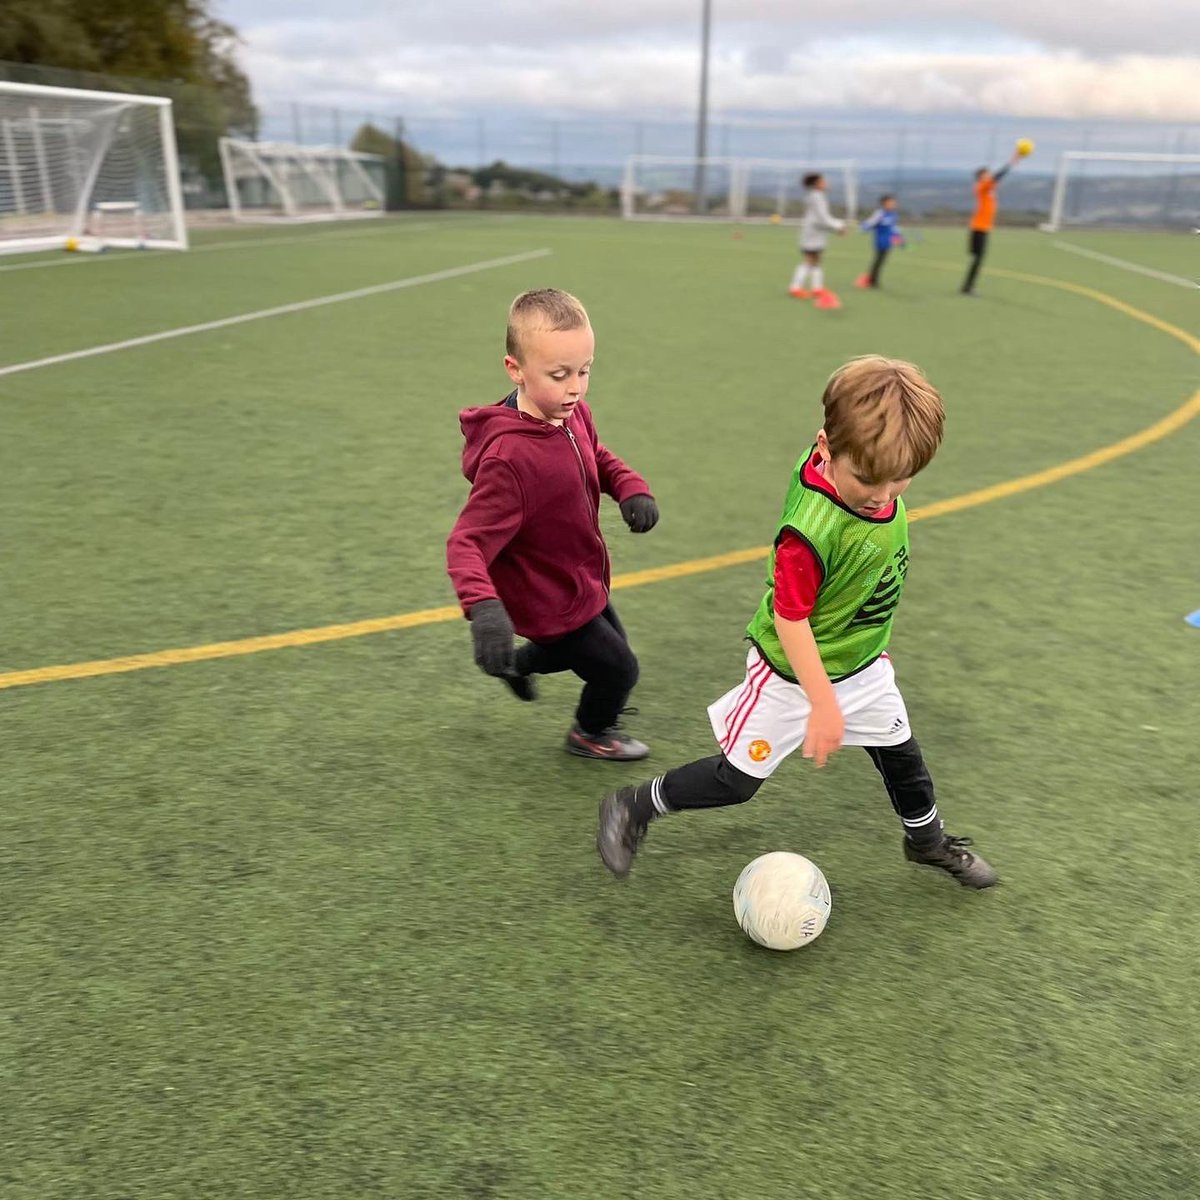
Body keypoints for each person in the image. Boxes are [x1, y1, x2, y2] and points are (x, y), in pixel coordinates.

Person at [596, 356, 998, 888]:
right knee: (737, 780)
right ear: (825, 447)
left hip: (859, 664)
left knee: (903, 758)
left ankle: (925, 843)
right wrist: (824, 702)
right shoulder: (808, 535)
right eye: (868, 478)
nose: (882, 495)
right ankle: (634, 806)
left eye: (901, 479)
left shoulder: (856, 460)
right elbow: (791, 620)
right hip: (791, 674)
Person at [447, 288, 659, 761]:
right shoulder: (508, 458)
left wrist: (629, 486)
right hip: (544, 593)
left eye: (584, 371)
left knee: (599, 649)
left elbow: (597, 457)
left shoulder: (572, 412)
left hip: (578, 575)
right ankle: (591, 731)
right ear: (515, 369)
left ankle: (517, 667)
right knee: (619, 669)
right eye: (559, 375)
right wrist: (483, 608)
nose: (575, 388)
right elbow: (466, 542)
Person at [962, 151, 1022, 295]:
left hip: (981, 228)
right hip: (979, 228)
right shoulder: (982, 186)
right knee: (978, 258)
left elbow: (995, 180)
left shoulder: (988, 188)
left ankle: (967, 286)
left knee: (976, 257)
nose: (989, 175)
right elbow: (998, 176)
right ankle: (968, 287)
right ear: (981, 177)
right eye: (987, 174)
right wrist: (1012, 160)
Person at [788, 172, 846, 310]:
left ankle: (817, 288)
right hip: (812, 235)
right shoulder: (816, 197)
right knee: (809, 260)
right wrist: (839, 226)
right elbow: (823, 218)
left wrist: (837, 226)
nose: (826, 183)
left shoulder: (817, 196)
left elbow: (823, 218)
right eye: (823, 181)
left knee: (816, 260)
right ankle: (795, 288)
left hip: (815, 234)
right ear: (816, 184)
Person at [856, 194, 902, 289]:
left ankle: (873, 280)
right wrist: (862, 228)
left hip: (888, 243)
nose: (893, 204)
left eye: (894, 202)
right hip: (880, 242)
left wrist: (898, 239)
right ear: (885, 203)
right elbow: (870, 223)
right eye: (891, 202)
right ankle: (872, 281)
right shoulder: (880, 214)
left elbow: (893, 228)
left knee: (881, 262)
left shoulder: (893, 215)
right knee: (878, 261)